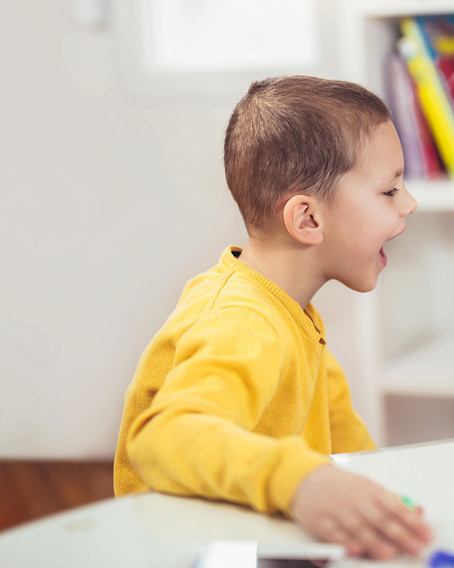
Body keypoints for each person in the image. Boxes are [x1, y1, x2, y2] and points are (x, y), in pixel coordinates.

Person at [113, 75, 430, 559]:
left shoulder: (293, 311)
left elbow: (345, 442)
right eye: (389, 191)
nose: (409, 203)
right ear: (307, 220)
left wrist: (382, 503)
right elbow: (162, 438)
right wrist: (301, 482)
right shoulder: (244, 323)